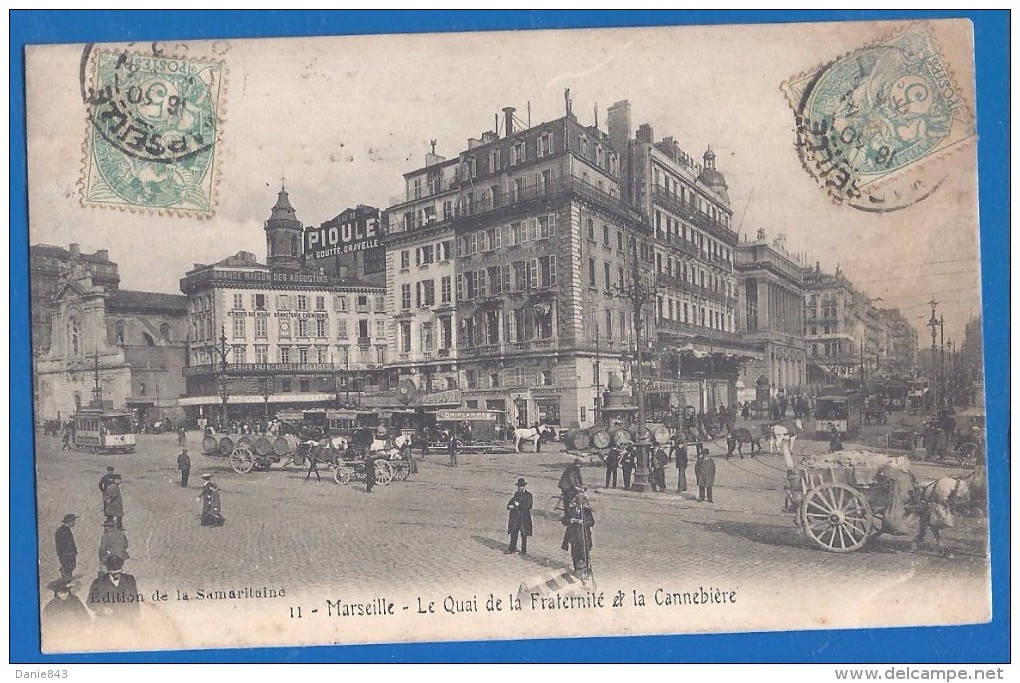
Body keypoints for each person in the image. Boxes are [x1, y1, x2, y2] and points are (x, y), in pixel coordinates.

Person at [87, 555, 140, 624]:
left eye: (119, 571)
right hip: (106, 623)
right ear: (108, 570)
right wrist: (102, 609)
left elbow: (135, 601)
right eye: (114, 572)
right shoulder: (98, 583)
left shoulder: (129, 580)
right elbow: (90, 602)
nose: (117, 574)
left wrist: (137, 618)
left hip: (126, 622)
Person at [561, 492, 595, 578]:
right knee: (575, 554)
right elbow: (564, 521)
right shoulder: (570, 510)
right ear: (575, 503)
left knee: (584, 554)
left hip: (584, 536)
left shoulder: (587, 512)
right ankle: (576, 570)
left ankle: (585, 571)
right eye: (578, 504)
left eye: (581, 504)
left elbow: (591, 522)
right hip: (574, 536)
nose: (579, 506)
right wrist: (569, 520)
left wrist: (583, 522)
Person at [505, 478, 533, 555]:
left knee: (524, 534)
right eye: (519, 486)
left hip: (524, 518)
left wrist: (519, 505)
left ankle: (523, 551)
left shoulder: (528, 495)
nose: (520, 487)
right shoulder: (516, 494)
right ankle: (512, 549)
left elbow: (529, 506)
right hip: (516, 517)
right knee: (513, 532)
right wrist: (509, 506)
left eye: (521, 486)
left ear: (524, 486)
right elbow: (511, 501)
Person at [55, 513, 78, 580]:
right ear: (70, 521)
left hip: (69, 553)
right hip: (66, 554)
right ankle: (66, 579)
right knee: (68, 566)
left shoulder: (66, 529)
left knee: (71, 566)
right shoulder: (62, 531)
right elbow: (62, 544)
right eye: (73, 521)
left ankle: (67, 577)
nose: (74, 522)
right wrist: (64, 554)